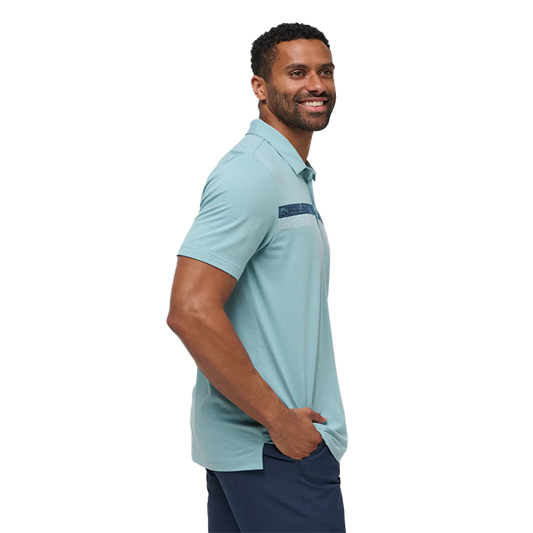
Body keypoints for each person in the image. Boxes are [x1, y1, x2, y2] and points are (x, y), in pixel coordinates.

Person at [166, 21, 349, 533]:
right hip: (276, 450)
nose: (316, 85)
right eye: (297, 73)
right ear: (259, 87)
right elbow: (190, 310)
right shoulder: (250, 173)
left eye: (325, 71)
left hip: (260, 452)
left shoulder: (288, 173)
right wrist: (280, 421)